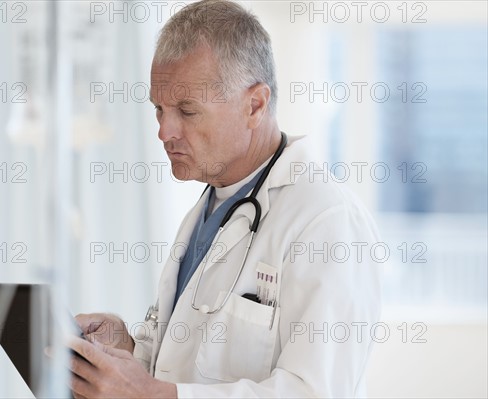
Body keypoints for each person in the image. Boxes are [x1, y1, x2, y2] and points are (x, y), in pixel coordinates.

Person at [66, 0, 382, 397]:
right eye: (159, 110)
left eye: (187, 111)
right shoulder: (213, 205)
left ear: (255, 104)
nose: (164, 131)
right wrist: (128, 349)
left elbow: (317, 391)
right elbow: (184, 359)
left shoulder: (325, 220)